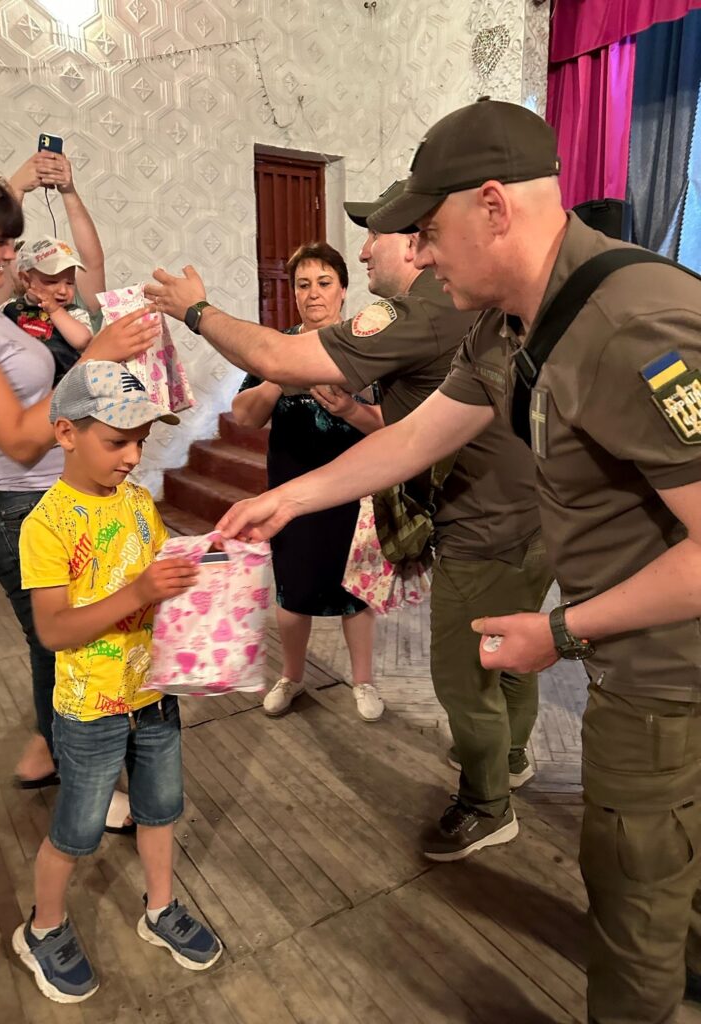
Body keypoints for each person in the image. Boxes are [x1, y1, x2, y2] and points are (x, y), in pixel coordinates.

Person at [212, 100, 701, 1023]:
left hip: (669, 670)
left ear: (492, 206)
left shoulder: (636, 323)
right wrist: (288, 498)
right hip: (629, 650)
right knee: (669, 863)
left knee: (630, 893)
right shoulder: (512, 321)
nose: (421, 256)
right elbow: (412, 441)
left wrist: (559, 629)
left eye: (430, 233)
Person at [148, 185, 550, 856]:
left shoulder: (415, 313)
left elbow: (278, 362)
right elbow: (416, 431)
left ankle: (488, 803)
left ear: (418, 246)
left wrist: (194, 308)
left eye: (379, 237)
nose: (364, 250)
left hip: (486, 530)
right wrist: (293, 495)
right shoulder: (475, 311)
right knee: (512, 658)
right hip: (530, 519)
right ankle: (508, 759)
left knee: (465, 673)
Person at [0, 161, 159, 788]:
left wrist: (26, 182)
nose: (8, 256)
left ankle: (49, 753)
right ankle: (87, 786)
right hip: (14, 504)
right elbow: (16, 437)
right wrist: (94, 358)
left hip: (33, 500)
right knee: (63, 646)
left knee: (54, 644)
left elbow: (83, 265)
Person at [14, 361, 222, 1003]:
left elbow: (155, 571)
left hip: (153, 698)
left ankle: (160, 909)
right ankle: (42, 929)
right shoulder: (46, 525)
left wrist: (202, 567)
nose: (133, 457)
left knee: (160, 811)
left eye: (142, 440)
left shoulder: (135, 502)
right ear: (65, 433)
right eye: (116, 441)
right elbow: (52, 631)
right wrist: (138, 591)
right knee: (75, 832)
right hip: (88, 711)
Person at [231, 242, 381, 722]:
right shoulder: (276, 348)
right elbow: (243, 415)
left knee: (355, 592)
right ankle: (291, 676)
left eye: (323, 283)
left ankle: (364, 682)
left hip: (356, 490)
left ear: (342, 289)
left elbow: (395, 428)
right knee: (291, 592)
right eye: (302, 285)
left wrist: (350, 409)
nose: (313, 294)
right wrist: (278, 377)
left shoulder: (370, 345)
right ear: (292, 293)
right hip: (291, 493)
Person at [0, 151, 107, 329]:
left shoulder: (78, 309)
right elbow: (1, 252)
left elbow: (93, 260)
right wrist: (16, 188)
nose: (62, 289)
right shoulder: (5, 307)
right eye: (49, 280)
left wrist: (68, 191)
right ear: (24, 277)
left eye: (68, 280)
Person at [3, 236, 92, 385]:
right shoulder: (9, 308)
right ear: (26, 279)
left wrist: (55, 311)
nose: (63, 290)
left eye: (70, 283)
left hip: (61, 388)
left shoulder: (74, 314)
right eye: (52, 282)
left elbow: (83, 340)